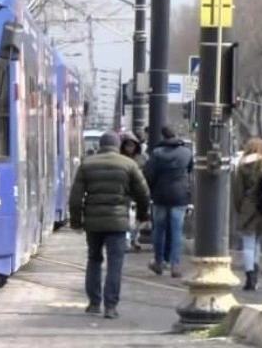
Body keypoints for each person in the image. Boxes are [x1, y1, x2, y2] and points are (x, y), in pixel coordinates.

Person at [69, 131, 151, 319]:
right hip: (118, 222)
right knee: (115, 264)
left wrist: (76, 222)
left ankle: (94, 303)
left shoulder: (87, 164)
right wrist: (141, 214)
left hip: (93, 223)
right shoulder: (129, 164)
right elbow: (143, 193)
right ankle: (111, 307)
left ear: (100, 145)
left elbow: (75, 197)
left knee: (94, 260)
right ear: (117, 146)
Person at [144, 126, 193, 278]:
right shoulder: (186, 153)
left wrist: (152, 190)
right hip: (179, 197)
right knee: (176, 231)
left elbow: (149, 174)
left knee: (159, 230)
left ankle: (158, 262)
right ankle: (175, 265)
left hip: (160, 196)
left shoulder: (157, 153)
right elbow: (190, 170)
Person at [233, 137, 262, 291]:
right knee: (257, 243)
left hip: (249, 208)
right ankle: (255, 276)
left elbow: (238, 191)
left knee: (248, 244)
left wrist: (240, 208)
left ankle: (250, 276)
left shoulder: (243, 165)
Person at [120, 132, 147, 252]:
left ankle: (134, 238)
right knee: (127, 218)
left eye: (132, 145)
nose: (130, 148)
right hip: (126, 192)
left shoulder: (142, 158)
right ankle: (127, 241)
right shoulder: (121, 158)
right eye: (127, 145)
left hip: (138, 192)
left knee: (138, 219)